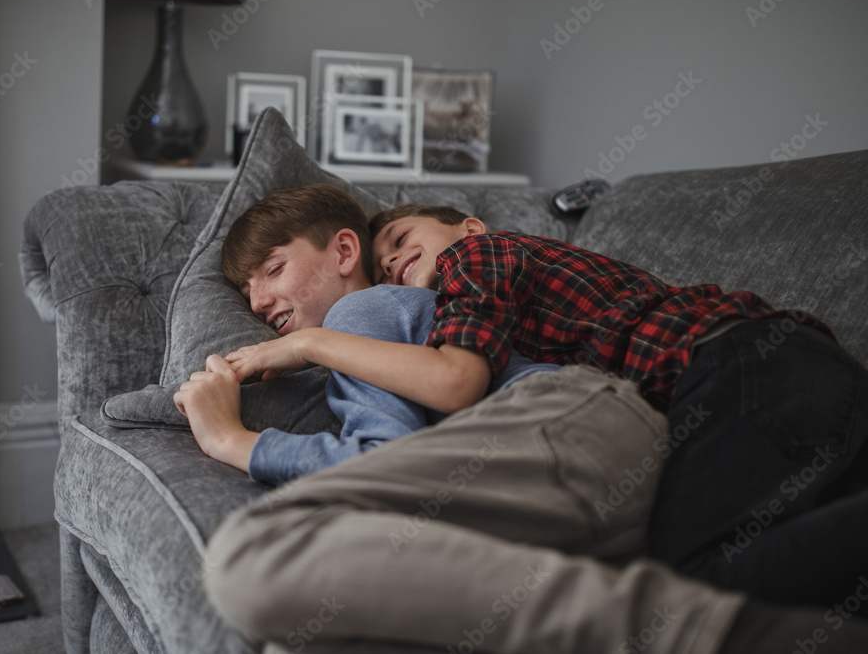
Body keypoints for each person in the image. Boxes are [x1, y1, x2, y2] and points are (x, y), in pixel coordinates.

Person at [202, 187, 868, 654]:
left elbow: (445, 393)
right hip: (680, 408)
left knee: (694, 588)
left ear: (469, 227)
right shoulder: (442, 315)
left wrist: (248, 426)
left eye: (272, 270)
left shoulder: (462, 265)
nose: (258, 301)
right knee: (730, 576)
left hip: (730, 362)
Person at [174, 184, 556, 486]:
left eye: (273, 270)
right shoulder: (383, 316)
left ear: (343, 252)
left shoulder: (360, 310)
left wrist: (228, 439)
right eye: (246, 292)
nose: (257, 303)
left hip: (549, 427)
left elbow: (384, 465)